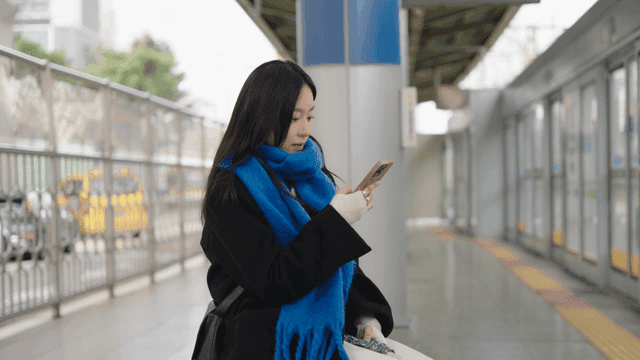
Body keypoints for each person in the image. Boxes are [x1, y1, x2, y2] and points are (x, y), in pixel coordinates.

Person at [197, 60, 430, 360]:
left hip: (323, 328)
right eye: (294, 118)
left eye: (310, 116)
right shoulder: (230, 189)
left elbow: (339, 269)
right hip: (263, 339)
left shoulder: (312, 176)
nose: (304, 130)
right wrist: (337, 220)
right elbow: (275, 281)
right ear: (261, 117)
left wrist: (364, 317)